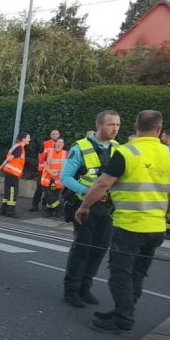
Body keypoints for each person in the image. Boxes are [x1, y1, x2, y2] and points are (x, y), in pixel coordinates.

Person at [75, 110, 170, 334]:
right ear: (159, 129)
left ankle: (123, 318)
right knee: (138, 273)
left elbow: (102, 184)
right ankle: (124, 311)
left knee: (120, 273)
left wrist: (84, 206)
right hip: (156, 228)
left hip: (130, 226)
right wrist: (167, 212)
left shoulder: (126, 152)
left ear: (136, 127)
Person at [60, 110, 120, 308]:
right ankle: (71, 291)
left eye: (117, 125)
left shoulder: (119, 148)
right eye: (111, 125)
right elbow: (65, 177)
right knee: (82, 249)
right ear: (99, 126)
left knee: (99, 250)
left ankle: (85, 288)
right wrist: (88, 192)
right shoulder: (80, 147)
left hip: (106, 208)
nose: (115, 129)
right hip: (83, 206)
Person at [0, 132, 30, 218]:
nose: (29, 139)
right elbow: (10, 158)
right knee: (12, 192)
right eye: (28, 138)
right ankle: (10, 211)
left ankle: (4, 210)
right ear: (23, 139)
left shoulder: (17, 146)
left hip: (10, 172)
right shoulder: (19, 147)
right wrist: (1, 166)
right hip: (12, 173)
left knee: (8, 192)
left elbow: (10, 158)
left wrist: (2, 166)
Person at [31, 129, 61, 212]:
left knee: (52, 189)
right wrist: (44, 166)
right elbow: (40, 156)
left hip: (55, 172)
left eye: (56, 134)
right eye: (53, 134)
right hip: (44, 170)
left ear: (59, 135)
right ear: (50, 135)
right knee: (40, 188)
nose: (55, 135)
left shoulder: (61, 144)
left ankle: (46, 205)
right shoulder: (45, 144)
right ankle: (35, 205)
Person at [40, 138, 67, 217]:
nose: (59, 144)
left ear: (63, 144)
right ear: (55, 143)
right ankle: (59, 208)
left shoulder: (65, 153)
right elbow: (44, 163)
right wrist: (51, 172)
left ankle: (49, 211)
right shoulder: (49, 151)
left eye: (61, 142)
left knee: (54, 196)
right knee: (48, 195)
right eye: (58, 142)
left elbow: (66, 166)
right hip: (48, 178)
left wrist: (58, 173)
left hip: (58, 179)